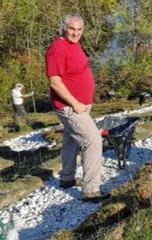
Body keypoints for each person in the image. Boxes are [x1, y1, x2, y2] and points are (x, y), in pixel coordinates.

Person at [45, 13, 109, 202]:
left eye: (79, 29)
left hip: (80, 106)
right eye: (72, 29)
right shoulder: (57, 48)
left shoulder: (74, 45)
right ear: (64, 27)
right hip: (70, 107)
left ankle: (67, 178)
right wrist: (75, 103)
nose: (75, 33)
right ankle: (91, 190)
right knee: (93, 140)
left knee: (71, 140)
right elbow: (55, 82)